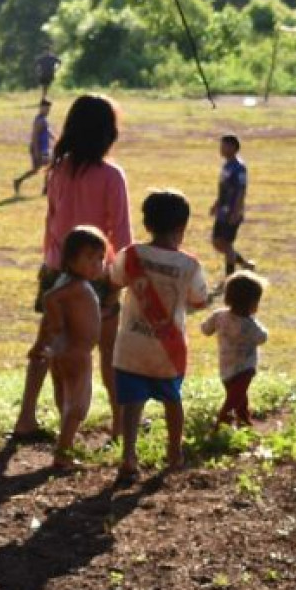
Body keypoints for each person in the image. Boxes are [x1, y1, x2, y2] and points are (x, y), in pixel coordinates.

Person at [9, 93, 133, 444]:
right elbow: (121, 235)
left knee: (49, 347)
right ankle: (119, 427)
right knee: (108, 353)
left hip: (56, 271)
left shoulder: (58, 170)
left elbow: (52, 223)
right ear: (108, 132)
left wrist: (53, 268)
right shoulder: (111, 176)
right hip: (97, 275)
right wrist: (118, 280)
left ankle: (27, 418)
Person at [108, 189, 210, 479]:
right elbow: (199, 299)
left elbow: (115, 279)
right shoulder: (189, 264)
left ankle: (129, 457)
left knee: (131, 403)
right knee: (172, 399)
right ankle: (174, 452)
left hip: (131, 346)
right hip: (169, 349)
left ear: (147, 223)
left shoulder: (131, 254)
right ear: (182, 227)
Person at [27, 225, 108, 472]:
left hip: (61, 352)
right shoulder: (75, 286)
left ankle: (65, 439)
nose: (98, 265)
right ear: (71, 260)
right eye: (90, 259)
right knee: (79, 405)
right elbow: (49, 298)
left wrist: (43, 342)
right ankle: (63, 453)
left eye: (100, 259)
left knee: (64, 396)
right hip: (77, 353)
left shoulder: (71, 281)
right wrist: (56, 323)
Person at [201, 271, 267, 428]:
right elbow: (262, 338)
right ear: (253, 304)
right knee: (234, 398)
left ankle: (244, 419)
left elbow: (205, 329)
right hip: (245, 368)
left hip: (225, 367)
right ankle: (221, 422)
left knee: (238, 396)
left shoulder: (219, 316)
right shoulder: (249, 324)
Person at [209, 133, 252, 280]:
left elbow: (241, 190)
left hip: (231, 212)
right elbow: (224, 188)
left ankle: (229, 277)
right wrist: (216, 203)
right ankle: (245, 264)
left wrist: (237, 211)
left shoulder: (239, 167)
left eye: (224, 146)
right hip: (223, 210)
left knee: (226, 244)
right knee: (217, 242)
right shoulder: (227, 165)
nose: (221, 149)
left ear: (233, 147)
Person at [13, 100, 54, 196]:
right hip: (40, 149)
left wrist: (55, 138)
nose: (48, 111)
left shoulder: (43, 119)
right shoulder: (40, 121)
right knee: (48, 167)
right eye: (46, 109)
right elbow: (35, 136)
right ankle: (45, 189)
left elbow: (47, 131)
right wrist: (36, 151)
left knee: (40, 169)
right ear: (41, 108)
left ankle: (19, 181)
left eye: (49, 109)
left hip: (44, 148)